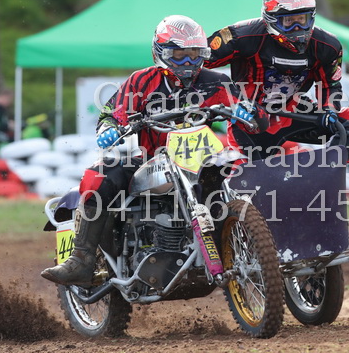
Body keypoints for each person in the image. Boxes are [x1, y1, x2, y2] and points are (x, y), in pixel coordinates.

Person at [41, 15, 268, 286]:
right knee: (98, 175)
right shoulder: (142, 81)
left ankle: (258, 247)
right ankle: (81, 259)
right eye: (180, 55)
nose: (188, 62)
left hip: (204, 160)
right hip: (152, 159)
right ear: (160, 53)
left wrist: (251, 113)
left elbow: (255, 116)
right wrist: (110, 128)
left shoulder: (217, 82)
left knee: (246, 173)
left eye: (195, 54)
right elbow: (111, 113)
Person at [204, 0, 349, 161]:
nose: (297, 28)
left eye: (302, 19)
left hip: (292, 111)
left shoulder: (327, 45)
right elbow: (197, 62)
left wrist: (329, 110)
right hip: (251, 117)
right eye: (289, 21)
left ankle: (328, 167)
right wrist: (223, 102)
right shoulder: (241, 36)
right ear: (270, 19)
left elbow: (329, 84)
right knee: (249, 170)